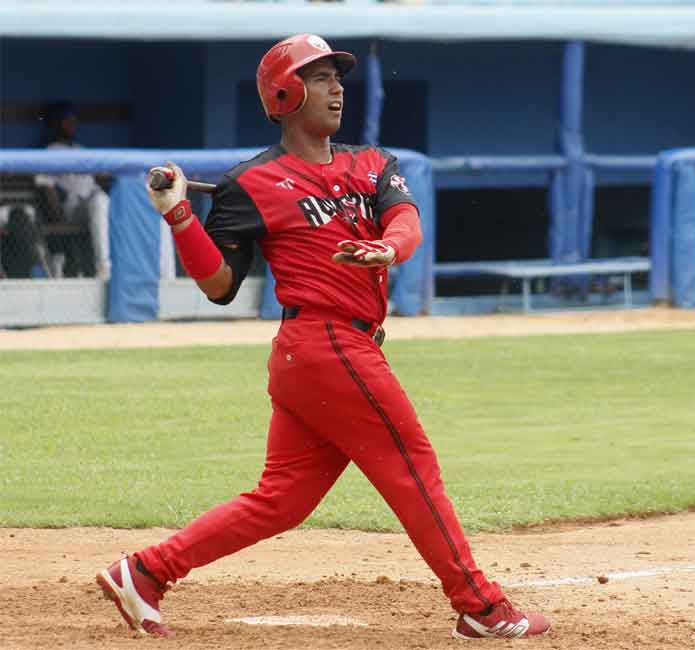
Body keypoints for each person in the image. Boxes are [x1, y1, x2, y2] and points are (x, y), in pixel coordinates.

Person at [94, 34, 549, 641]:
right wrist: (179, 216)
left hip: (323, 354)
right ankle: (480, 605)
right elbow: (219, 285)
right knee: (412, 465)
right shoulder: (250, 183)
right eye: (320, 76)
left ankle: (146, 571)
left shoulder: (371, 163)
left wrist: (389, 247)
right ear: (284, 92)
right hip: (326, 344)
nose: (337, 87)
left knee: (282, 499)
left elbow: (405, 220)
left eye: (338, 76)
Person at [35, 102, 113, 280]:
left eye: (73, 121)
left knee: (104, 201)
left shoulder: (81, 149)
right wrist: (57, 216)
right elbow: (46, 186)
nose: (72, 125)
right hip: (73, 207)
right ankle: (104, 266)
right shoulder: (50, 151)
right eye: (67, 121)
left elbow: (100, 177)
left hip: (96, 201)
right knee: (100, 202)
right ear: (55, 124)